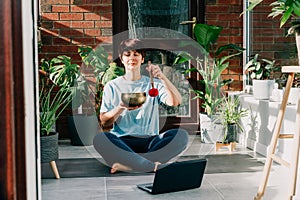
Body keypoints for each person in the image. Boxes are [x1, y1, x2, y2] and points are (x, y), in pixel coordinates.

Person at [93, 38, 189, 174]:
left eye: (136, 54)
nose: (132, 58)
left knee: (181, 136)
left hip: (151, 142)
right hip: (122, 143)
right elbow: (104, 121)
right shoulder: (112, 86)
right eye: (127, 54)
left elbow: (175, 101)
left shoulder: (153, 83)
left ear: (142, 58)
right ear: (121, 59)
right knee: (101, 138)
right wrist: (120, 107)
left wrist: (163, 77)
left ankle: (132, 164)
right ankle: (148, 164)